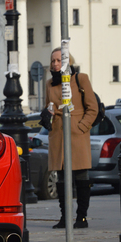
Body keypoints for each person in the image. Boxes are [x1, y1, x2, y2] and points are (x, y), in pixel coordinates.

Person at [43, 48, 98, 229]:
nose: (55, 64)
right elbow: (48, 107)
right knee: (60, 177)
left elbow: (92, 108)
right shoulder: (50, 83)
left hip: (77, 133)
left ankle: (81, 217)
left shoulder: (80, 79)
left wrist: (81, 127)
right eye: (53, 61)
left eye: (59, 60)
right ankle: (64, 217)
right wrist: (46, 118)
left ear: (68, 61)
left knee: (81, 175)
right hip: (57, 134)